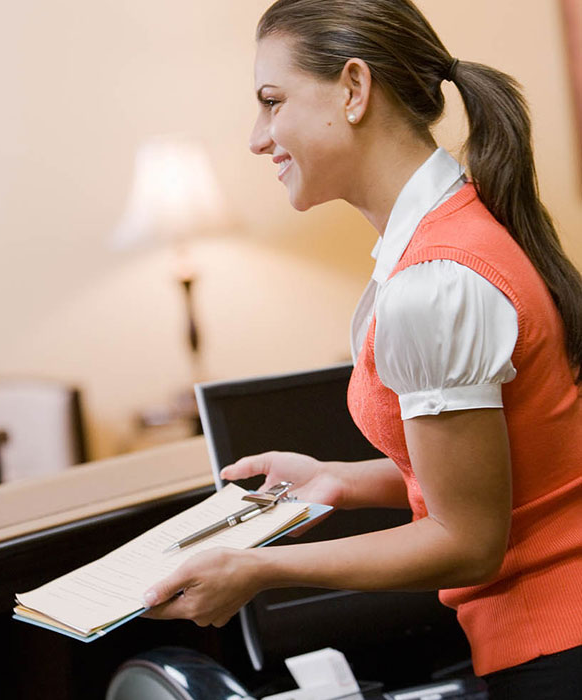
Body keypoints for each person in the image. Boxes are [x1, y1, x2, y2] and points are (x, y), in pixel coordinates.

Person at [142, 1, 582, 696]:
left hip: (555, 647)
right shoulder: (458, 233)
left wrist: (260, 570)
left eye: (270, 101)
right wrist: (340, 481)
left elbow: (466, 540)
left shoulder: (435, 282)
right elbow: (511, 471)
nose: (258, 139)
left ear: (352, 89)